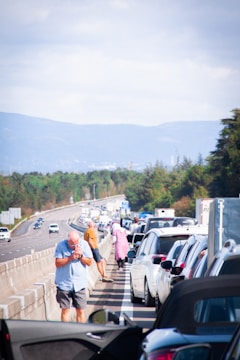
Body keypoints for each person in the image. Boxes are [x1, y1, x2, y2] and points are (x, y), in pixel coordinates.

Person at [54, 230, 93, 323]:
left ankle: (80, 331)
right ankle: (66, 332)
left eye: (77, 244)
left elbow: (89, 262)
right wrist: (71, 257)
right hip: (64, 283)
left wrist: (80, 256)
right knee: (65, 310)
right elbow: (57, 263)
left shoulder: (84, 244)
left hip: (79, 283)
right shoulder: (61, 245)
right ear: (68, 242)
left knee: (80, 310)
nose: (75, 246)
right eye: (72, 245)